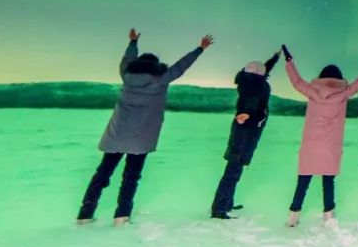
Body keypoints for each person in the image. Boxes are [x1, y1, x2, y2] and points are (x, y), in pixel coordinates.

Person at [77, 28, 214, 225]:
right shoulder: (161, 79)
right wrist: (200, 48)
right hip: (141, 138)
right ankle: (122, 215)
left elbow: (126, 59)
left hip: (117, 134)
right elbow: (180, 66)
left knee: (102, 173)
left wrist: (133, 42)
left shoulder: (126, 74)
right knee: (131, 177)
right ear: (155, 66)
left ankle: (85, 213)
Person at [284, 46, 358, 227]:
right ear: (339, 79)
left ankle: (293, 217)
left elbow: (296, 81)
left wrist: (289, 62)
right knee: (328, 181)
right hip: (330, 146)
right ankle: (329, 216)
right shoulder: (343, 94)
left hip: (311, 145)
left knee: (304, 180)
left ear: (321, 77)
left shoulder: (312, 91)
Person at [210, 50, 281, 219]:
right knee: (234, 168)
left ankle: (226, 203)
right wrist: (247, 113)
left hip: (247, 129)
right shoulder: (254, 85)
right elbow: (251, 101)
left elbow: (263, 71)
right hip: (245, 130)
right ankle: (219, 208)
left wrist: (274, 59)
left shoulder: (251, 80)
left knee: (236, 167)